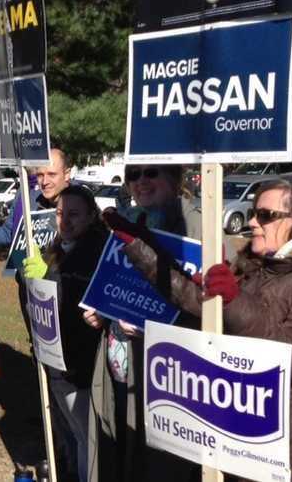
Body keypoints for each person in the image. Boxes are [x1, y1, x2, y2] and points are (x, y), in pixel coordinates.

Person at [112, 177, 292, 482]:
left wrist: (233, 299)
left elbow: (290, 353)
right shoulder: (262, 266)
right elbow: (197, 302)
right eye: (253, 213)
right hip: (239, 436)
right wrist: (140, 246)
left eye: (266, 216)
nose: (253, 223)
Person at [83, 164, 202, 482]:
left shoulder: (197, 230)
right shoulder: (130, 222)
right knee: (117, 457)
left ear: (174, 179)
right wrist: (101, 310)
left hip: (163, 378)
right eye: (133, 175)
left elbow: (211, 314)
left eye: (150, 173)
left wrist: (156, 331)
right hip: (118, 365)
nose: (140, 182)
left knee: (154, 468)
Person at [21, 185, 108, 481]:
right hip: (56, 363)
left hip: (81, 369)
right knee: (72, 439)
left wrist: (48, 277)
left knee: (88, 444)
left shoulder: (98, 251)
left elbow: (73, 300)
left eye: (74, 214)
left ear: (91, 216)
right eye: (59, 213)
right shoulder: (55, 250)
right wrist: (29, 281)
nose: (65, 221)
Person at [0, 148, 72, 248]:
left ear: (67, 174)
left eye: (52, 174)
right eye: (40, 175)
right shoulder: (26, 196)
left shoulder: (81, 203)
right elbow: (8, 233)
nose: (45, 182)